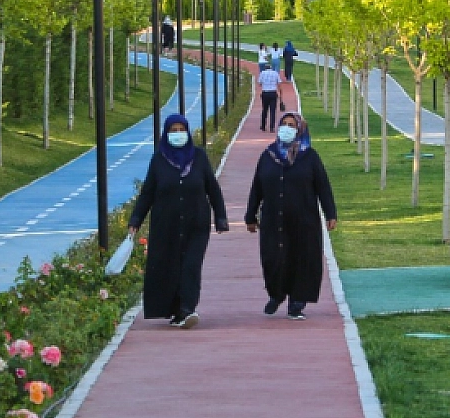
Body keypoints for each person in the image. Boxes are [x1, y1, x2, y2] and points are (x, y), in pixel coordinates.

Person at [127, 114, 229, 329]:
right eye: (173, 130)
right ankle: (175, 309)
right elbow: (148, 193)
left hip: (197, 224)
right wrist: (136, 219)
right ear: (166, 133)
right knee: (169, 266)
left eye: (181, 129)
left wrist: (221, 217)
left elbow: (212, 189)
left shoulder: (199, 157)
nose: (177, 134)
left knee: (191, 266)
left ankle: (187, 309)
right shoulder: (159, 160)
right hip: (166, 225)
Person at [246, 113, 338, 320]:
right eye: (284, 125)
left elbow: (323, 187)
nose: (287, 129)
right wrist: (250, 215)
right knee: (274, 259)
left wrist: (330, 213)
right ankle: (276, 295)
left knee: (302, 259)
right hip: (273, 220)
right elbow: (257, 187)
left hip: (304, 220)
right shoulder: (268, 155)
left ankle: (297, 301)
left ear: (300, 130)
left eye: (292, 125)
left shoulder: (310, 156)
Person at [257, 63, 283, 131]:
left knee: (264, 110)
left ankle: (263, 126)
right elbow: (279, 84)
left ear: (265, 68)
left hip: (265, 93)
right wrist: (280, 93)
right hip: (273, 93)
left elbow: (259, 83)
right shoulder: (275, 73)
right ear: (271, 68)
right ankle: (272, 127)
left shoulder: (262, 73)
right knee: (273, 110)